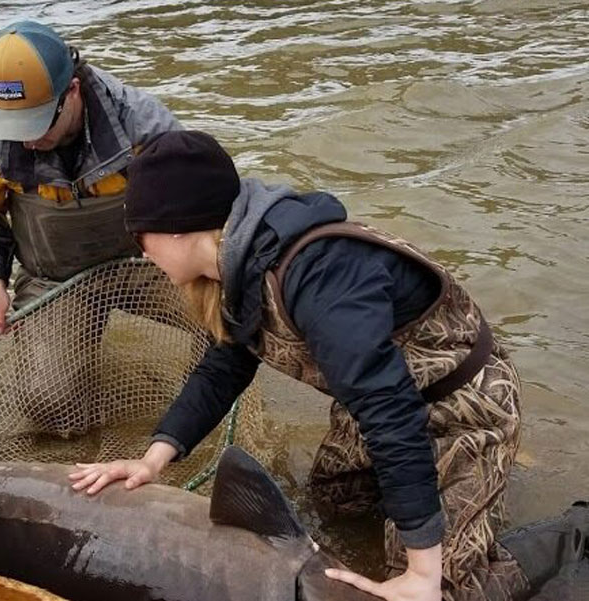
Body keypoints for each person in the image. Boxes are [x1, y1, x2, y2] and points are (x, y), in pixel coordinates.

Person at [68, 131, 587, 601]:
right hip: (382, 398)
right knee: (335, 501)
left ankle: (567, 534)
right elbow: (222, 368)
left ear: (180, 229)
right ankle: (445, 512)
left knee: (437, 594)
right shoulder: (233, 270)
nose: (139, 251)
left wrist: (424, 570)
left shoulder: (320, 275)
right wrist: (154, 460)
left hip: (464, 407)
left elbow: (390, 413)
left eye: (141, 237)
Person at [0, 20, 181, 333]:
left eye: (36, 122)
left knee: (221, 317)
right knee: (44, 382)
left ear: (72, 90)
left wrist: (171, 245)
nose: (26, 141)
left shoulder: (142, 126)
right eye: (13, 126)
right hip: (51, 282)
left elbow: (190, 201)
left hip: (144, 266)